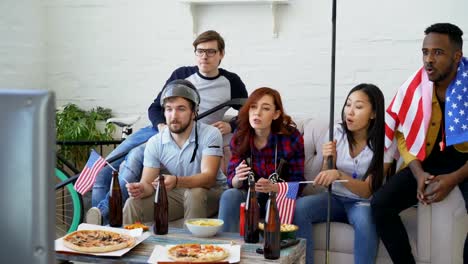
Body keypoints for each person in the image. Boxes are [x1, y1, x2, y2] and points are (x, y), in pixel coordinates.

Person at [88, 30, 247, 225]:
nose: (204, 56)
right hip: (161, 129)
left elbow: (248, 113)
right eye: (200, 51)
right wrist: (162, 125)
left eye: (211, 51)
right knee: (109, 163)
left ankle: (105, 214)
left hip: (192, 131)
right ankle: (101, 217)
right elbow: (155, 107)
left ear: (221, 54)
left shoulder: (231, 82)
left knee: (136, 155)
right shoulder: (182, 75)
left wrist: (230, 125)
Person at [371, 23, 468, 264]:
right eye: (425, 52)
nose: (429, 60)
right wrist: (418, 172)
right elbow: (402, 133)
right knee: (380, 205)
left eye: (438, 52)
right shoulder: (416, 87)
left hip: (465, 162)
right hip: (427, 160)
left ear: (457, 56)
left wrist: (453, 179)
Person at [293, 83, 387, 264]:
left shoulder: (383, 142)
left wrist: (338, 174)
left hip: (362, 203)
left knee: (366, 221)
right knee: (300, 208)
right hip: (334, 198)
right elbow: (322, 181)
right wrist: (329, 160)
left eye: (358, 107)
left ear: (374, 113)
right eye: (348, 104)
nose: (350, 112)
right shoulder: (336, 132)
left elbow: (367, 191)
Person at [122, 79, 226, 224]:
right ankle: (131, 245)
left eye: (181, 109)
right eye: (169, 109)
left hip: (210, 192)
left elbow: (208, 179)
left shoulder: (211, 134)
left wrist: (177, 181)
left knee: (194, 193)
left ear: (194, 112)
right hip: (178, 193)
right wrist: (140, 189)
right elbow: (148, 185)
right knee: (133, 203)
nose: (174, 116)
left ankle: (190, 246)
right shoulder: (155, 142)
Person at [218, 87, 305, 232]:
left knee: (273, 204)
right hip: (249, 194)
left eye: (265, 108)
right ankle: (227, 249)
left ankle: (275, 249)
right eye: (253, 107)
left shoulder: (291, 137)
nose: (257, 113)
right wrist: (238, 178)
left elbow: (299, 182)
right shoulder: (240, 136)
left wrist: (274, 188)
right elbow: (231, 181)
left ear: (276, 114)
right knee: (230, 195)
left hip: (278, 196)